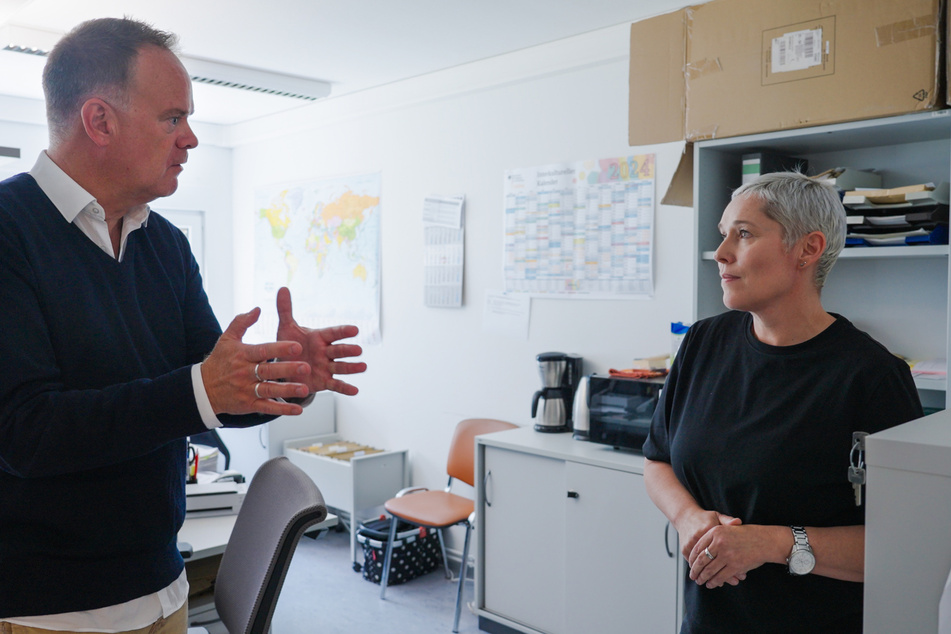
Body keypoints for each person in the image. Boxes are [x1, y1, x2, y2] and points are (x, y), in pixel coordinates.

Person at [0, 17, 366, 633]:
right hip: (49, 611)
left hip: (163, 590)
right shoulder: (9, 233)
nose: (190, 139)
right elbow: (26, 432)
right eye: (173, 118)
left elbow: (212, 393)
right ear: (99, 121)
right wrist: (201, 390)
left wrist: (286, 375)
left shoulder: (164, 243)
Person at [642, 172, 923, 633]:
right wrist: (689, 519)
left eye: (745, 234)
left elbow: (905, 548)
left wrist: (772, 544)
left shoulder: (872, 377)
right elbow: (658, 461)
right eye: (723, 234)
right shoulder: (702, 342)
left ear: (808, 250)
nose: (721, 253)